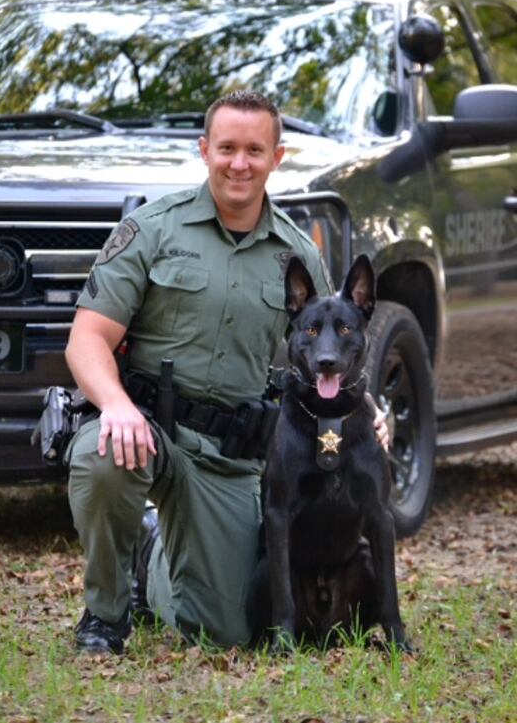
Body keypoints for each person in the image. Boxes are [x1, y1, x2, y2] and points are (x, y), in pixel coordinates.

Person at [65, 89, 387, 654]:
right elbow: (87, 338)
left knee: (233, 630)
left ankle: (152, 558)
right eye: (227, 148)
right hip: (146, 427)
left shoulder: (297, 254)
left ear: (277, 158)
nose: (240, 163)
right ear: (205, 150)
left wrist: (368, 412)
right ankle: (105, 616)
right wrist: (115, 406)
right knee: (103, 456)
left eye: (254, 150)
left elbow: (329, 347)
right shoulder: (151, 229)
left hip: (230, 453)